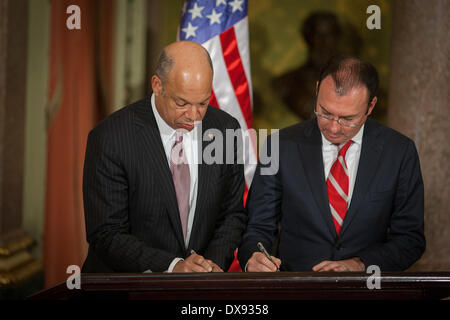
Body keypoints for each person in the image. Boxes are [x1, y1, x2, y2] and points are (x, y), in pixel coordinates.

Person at [238, 55, 425, 272]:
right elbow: (257, 226)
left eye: (347, 118)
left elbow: (411, 239)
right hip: (296, 289)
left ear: (370, 106)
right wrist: (254, 256)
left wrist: (360, 264)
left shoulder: (399, 152)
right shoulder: (279, 146)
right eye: (325, 113)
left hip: (368, 291)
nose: (334, 128)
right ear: (317, 90)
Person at [82, 41, 247, 273]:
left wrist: (211, 265)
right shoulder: (110, 138)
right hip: (125, 290)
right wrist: (172, 267)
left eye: (203, 103)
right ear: (157, 85)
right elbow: (107, 233)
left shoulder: (226, 129)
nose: (194, 116)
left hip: (199, 294)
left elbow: (231, 213)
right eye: (182, 103)